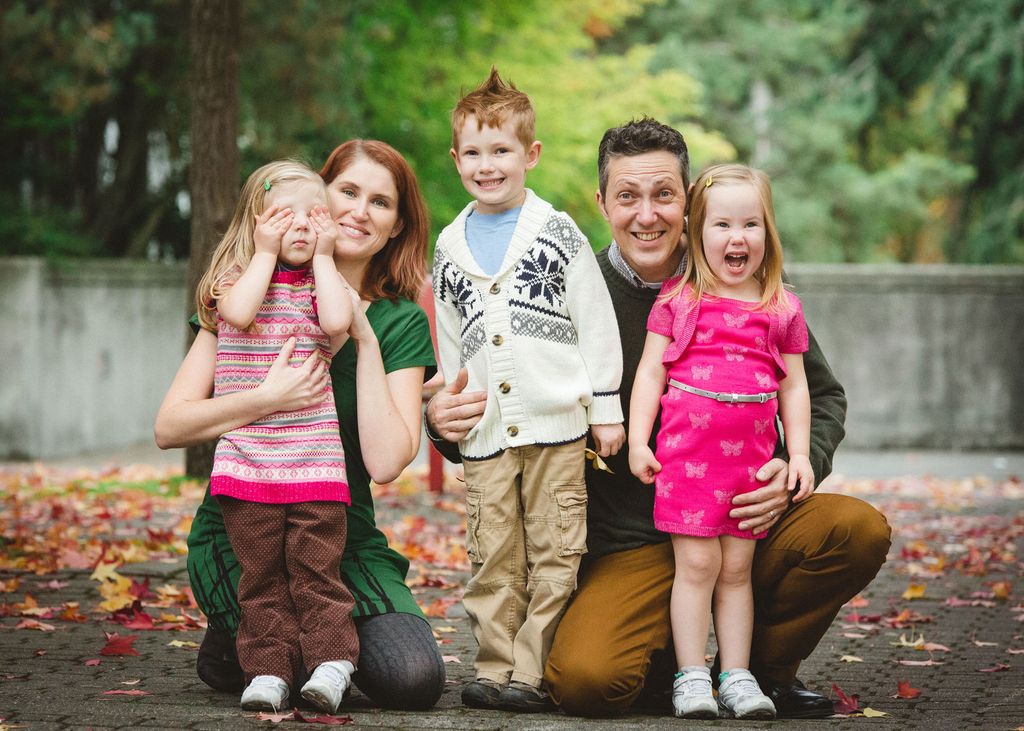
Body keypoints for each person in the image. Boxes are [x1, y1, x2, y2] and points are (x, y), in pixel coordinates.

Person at [426, 118, 891, 719]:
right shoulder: (560, 288)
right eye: (628, 196)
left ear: (689, 200)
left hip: (739, 510)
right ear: (602, 203)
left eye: (664, 194)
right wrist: (444, 422)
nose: (647, 214)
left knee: (854, 530)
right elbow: (503, 392)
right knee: (588, 681)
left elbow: (819, 394)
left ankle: (757, 673)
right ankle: (669, 661)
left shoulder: (746, 288)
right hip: (630, 541)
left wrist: (792, 465)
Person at [155, 140, 446, 711]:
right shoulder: (246, 291)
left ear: (396, 226)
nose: (359, 211)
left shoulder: (400, 320)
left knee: (413, 678)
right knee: (279, 635)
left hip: (339, 530)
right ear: (318, 196)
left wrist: (364, 338)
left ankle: (270, 649)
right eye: (348, 192)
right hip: (245, 521)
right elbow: (170, 426)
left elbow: (387, 463)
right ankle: (255, 644)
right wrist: (267, 397)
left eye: (381, 202)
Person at [433, 68, 625, 713]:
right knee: (493, 551)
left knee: (554, 547)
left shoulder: (558, 233)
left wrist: (605, 409)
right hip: (487, 431)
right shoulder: (449, 247)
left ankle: (532, 670)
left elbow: (595, 325)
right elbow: (452, 341)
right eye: (473, 153)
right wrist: (453, 408)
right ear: (456, 159)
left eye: (501, 151)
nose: (487, 166)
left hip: (556, 426)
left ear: (530, 154)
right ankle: (493, 667)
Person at [628, 163, 814, 719]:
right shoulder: (679, 299)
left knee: (736, 572)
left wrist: (799, 454)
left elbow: (796, 387)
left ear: (768, 232)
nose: (738, 238)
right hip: (687, 464)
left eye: (751, 225)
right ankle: (691, 677)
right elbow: (650, 374)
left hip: (749, 469)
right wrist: (638, 441)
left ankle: (736, 675)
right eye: (723, 225)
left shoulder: (781, 307)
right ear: (696, 232)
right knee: (697, 568)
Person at [193, 160, 357, 712]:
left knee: (317, 571)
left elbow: (336, 324)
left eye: (316, 215)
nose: (303, 226)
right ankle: (268, 670)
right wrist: (263, 253)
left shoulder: (324, 283)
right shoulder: (233, 280)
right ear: (256, 221)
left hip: (314, 459)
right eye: (286, 216)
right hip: (249, 461)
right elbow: (238, 315)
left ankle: (332, 663)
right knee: (261, 578)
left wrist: (327, 257)